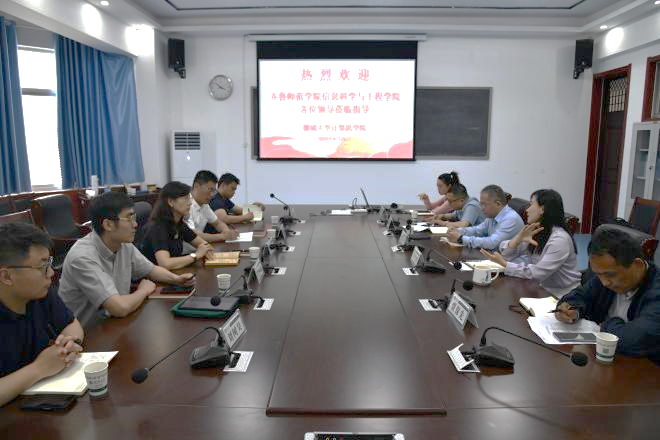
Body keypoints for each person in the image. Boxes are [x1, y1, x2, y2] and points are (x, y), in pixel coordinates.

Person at [58, 192, 195, 326]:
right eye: (129, 219)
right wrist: (144, 290)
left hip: (113, 323)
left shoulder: (123, 244)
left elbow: (151, 270)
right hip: (86, 332)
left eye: (134, 218)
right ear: (108, 224)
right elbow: (119, 308)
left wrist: (176, 279)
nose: (135, 224)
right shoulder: (82, 257)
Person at [0, 223, 84, 406]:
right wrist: (39, 369)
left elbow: (71, 325)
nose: (51, 273)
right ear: (6, 276)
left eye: (49, 263)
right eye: (42, 267)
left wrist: (69, 344)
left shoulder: (39, 293)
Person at [555, 226, 660, 364]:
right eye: (598, 274)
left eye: (610, 274)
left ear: (638, 265)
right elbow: (579, 295)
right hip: (602, 361)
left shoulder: (656, 291)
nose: (604, 283)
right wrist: (571, 309)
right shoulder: (605, 274)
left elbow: (635, 339)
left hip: (643, 369)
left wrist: (607, 325)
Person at [480, 189, 581, 297]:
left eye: (531, 204)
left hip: (562, 296)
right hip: (540, 289)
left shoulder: (559, 240)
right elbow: (506, 254)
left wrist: (505, 264)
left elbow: (537, 273)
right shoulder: (537, 230)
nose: (527, 210)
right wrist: (517, 239)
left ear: (542, 209)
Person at [140, 181, 214, 270]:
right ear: (171, 202)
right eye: (186, 198)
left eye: (189, 198)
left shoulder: (179, 224)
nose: (190, 203)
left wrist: (206, 249)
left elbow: (202, 243)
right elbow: (165, 263)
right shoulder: (158, 227)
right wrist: (195, 255)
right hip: (153, 276)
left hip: (173, 273)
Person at [446, 184, 524, 250]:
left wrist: (461, 239)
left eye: (484, 205)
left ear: (498, 204)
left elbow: (492, 243)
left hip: (512, 261)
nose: (481, 208)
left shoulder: (510, 219)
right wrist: (458, 230)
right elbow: (477, 230)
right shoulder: (492, 216)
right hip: (496, 256)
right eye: (481, 204)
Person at [186, 170, 239, 242]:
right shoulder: (186, 205)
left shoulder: (204, 204)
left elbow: (217, 223)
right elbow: (194, 235)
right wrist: (223, 236)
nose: (212, 195)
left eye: (214, 191)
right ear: (196, 186)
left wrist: (227, 231)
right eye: (210, 190)